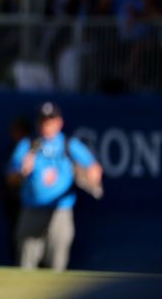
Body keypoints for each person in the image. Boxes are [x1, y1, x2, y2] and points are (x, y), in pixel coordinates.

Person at [7, 102, 102, 271]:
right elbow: (11, 178)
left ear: (59, 122)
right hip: (32, 210)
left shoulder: (69, 144)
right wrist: (22, 171)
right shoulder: (28, 145)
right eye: (43, 121)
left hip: (60, 211)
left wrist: (90, 176)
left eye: (50, 120)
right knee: (25, 264)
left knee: (57, 265)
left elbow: (94, 169)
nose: (46, 125)